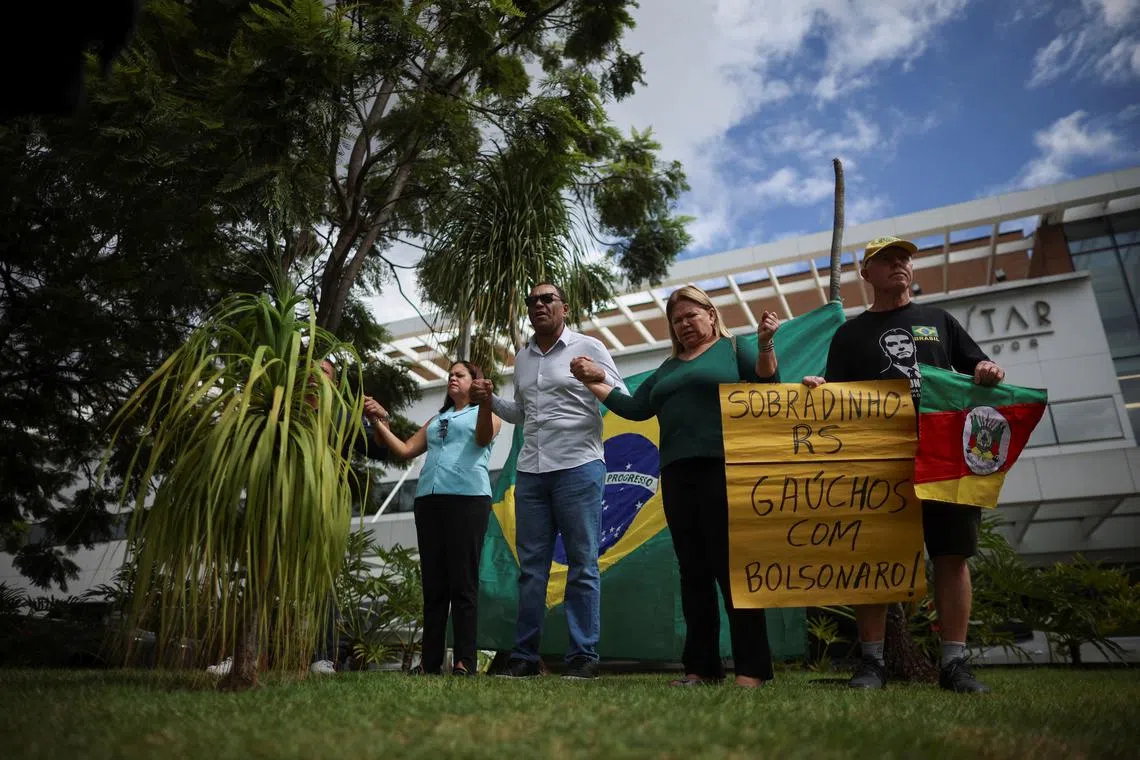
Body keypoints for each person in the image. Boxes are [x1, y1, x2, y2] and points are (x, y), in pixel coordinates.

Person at [801, 236, 1005, 693]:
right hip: (877, 464)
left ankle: (954, 664)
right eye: (886, 260)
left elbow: (979, 369)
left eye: (904, 259)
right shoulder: (849, 334)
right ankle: (872, 663)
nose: (899, 265)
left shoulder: (939, 321)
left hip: (943, 457)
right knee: (871, 556)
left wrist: (987, 370)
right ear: (866, 274)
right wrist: (818, 386)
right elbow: (836, 399)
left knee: (952, 556)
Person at [570, 285, 781, 688]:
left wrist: (767, 343)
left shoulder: (734, 350)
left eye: (691, 315)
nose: (684, 324)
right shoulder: (666, 370)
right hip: (677, 474)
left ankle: (753, 669)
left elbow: (766, 383)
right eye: (677, 319)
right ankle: (701, 669)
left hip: (725, 469)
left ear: (711, 314)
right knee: (693, 572)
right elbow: (634, 408)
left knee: (731, 569)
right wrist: (595, 382)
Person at [468, 283, 625, 680]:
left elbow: (621, 394)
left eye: (546, 299)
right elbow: (520, 413)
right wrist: (489, 400)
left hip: (579, 467)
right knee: (532, 569)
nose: (538, 305)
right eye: (532, 301)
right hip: (532, 473)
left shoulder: (589, 346)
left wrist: (596, 374)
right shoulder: (522, 358)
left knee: (582, 565)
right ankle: (524, 657)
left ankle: (582, 656)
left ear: (564, 309)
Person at [207, 358, 389, 677]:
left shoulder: (343, 415)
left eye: (326, 372)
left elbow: (378, 451)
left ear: (334, 383)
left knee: (323, 580)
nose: (317, 376)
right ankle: (242, 656)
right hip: (278, 502)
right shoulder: (280, 409)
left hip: (324, 506)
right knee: (262, 574)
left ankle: (321, 657)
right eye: (312, 370)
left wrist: (379, 420)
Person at [369, 361, 501, 675]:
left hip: (467, 500)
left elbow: (483, 439)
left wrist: (485, 402)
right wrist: (379, 421)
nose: (452, 378)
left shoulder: (488, 413)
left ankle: (465, 661)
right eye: (450, 375)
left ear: (475, 382)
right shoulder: (438, 418)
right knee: (434, 586)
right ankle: (430, 663)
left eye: (460, 375)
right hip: (429, 502)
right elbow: (403, 450)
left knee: (463, 584)